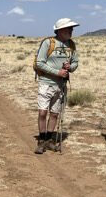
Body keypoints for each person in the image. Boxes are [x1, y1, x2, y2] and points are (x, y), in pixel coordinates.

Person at [34, 18, 79, 154]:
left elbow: (75, 63)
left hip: (61, 85)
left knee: (54, 114)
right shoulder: (48, 43)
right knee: (42, 112)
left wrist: (70, 67)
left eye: (71, 29)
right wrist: (57, 72)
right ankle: (41, 140)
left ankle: (49, 140)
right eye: (68, 29)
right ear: (59, 30)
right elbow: (39, 63)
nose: (71, 31)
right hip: (46, 83)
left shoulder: (71, 45)